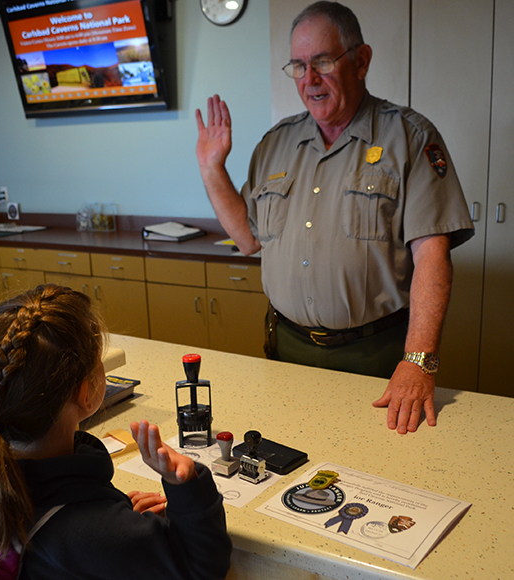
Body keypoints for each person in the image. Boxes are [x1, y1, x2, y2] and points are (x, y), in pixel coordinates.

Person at [195, 1, 474, 435]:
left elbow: (433, 257)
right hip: (286, 350)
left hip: (375, 358)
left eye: (323, 61)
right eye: (299, 66)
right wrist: (213, 169)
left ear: (360, 61)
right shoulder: (275, 144)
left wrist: (418, 361)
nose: (310, 80)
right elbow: (249, 239)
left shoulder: (410, 137)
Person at [0, 284, 232, 580]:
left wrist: (113, 512)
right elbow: (202, 567)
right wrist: (185, 485)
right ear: (88, 392)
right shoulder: (96, 532)